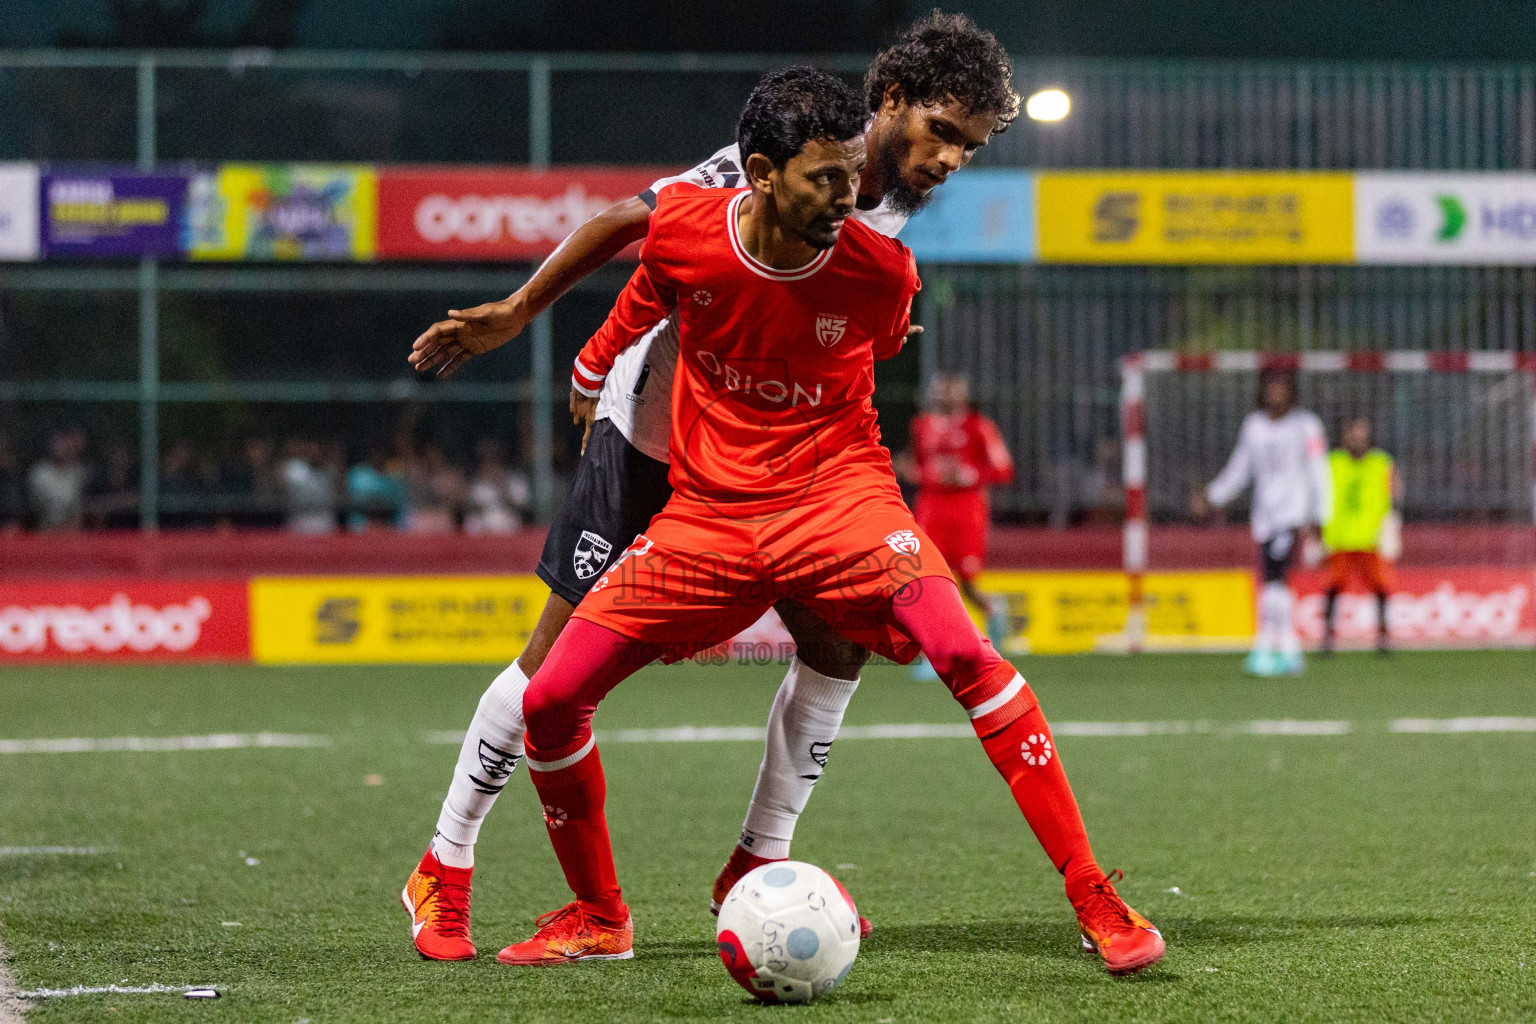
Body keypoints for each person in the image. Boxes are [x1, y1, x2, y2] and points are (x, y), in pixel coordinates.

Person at [488, 67, 1163, 975]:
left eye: (855, 181)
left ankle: (1093, 896)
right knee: (550, 697)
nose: (850, 201)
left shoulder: (883, 273)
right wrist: (584, 368)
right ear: (760, 172)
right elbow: (645, 293)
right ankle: (599, 915)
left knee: (966, 654)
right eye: (827, 182)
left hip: (842, 502)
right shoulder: (687, 230)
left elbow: (857, 347)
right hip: (708, 517)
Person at [401, 12, 1028, 963]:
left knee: (838, 644)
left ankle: (757, 863)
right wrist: (532, 321)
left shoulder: (895, 194)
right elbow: (634, 225)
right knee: (553, 661)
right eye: (941, 131)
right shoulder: (784, 155)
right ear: (890, 100)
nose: (949, 159)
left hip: (778, 462)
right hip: (653, 435)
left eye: (969, 146)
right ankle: (444, 866)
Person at [1193, 368, 1330, 677]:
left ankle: (1267, 647)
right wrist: (1213, 496)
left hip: (1291, 514)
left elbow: (1319, 472)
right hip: (1265, 517)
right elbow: (1240, 468)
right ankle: (1289, 651)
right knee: (1273, 581)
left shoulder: (1306, 427)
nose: (1275, 394)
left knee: (1274, 579)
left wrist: (1321, 514)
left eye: (1281, 387)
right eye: (1271, 388)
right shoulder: (1254, 427)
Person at [907, 372, 1014, 649]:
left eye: (951, 389)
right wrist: (915, 472)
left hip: (967, 507)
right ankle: (936, 646)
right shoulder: (922, 426)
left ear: (963, 393)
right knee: (928, 575)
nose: (945, 394)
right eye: (940, 389)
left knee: (967, 580)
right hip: (931, 506)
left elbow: (1003, 468)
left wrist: (967, 475)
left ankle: (993, 616)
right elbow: (918, 464)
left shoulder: (979, 426)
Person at [1321, 417, 1400, 654]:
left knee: (1381, 587)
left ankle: (1384, 637)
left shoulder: (1381, 462)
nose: (1356, 438)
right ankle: (1328, 638)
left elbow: (1394, 493)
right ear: (1344, 435)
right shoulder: (1332, 462)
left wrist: (1392, 525)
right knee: (1333, 588)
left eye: (1360, 432)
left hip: (1371, 537)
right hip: (1339, 536)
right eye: (1352, 433)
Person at [27, 428, 89, 531]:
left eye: (67, 445)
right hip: (45, 531)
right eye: (60, 444)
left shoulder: (78, 472)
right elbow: (36, 508)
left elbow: (81, 504)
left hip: (73, 531)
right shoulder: (39, 473)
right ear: (51, 445)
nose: (64, 448)